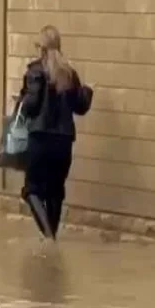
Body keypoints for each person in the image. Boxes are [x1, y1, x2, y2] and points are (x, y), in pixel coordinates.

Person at [17, 25, 93, 240]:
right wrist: (87, 90)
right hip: (63, 142)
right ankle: (51, 240)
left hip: (40, 139)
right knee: (55, 193)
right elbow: (80, 107)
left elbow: (31, 105)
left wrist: (21, 100)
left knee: (31, 189)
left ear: (41, 48)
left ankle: (49, 238)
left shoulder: (35, 71)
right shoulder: (69, 73)